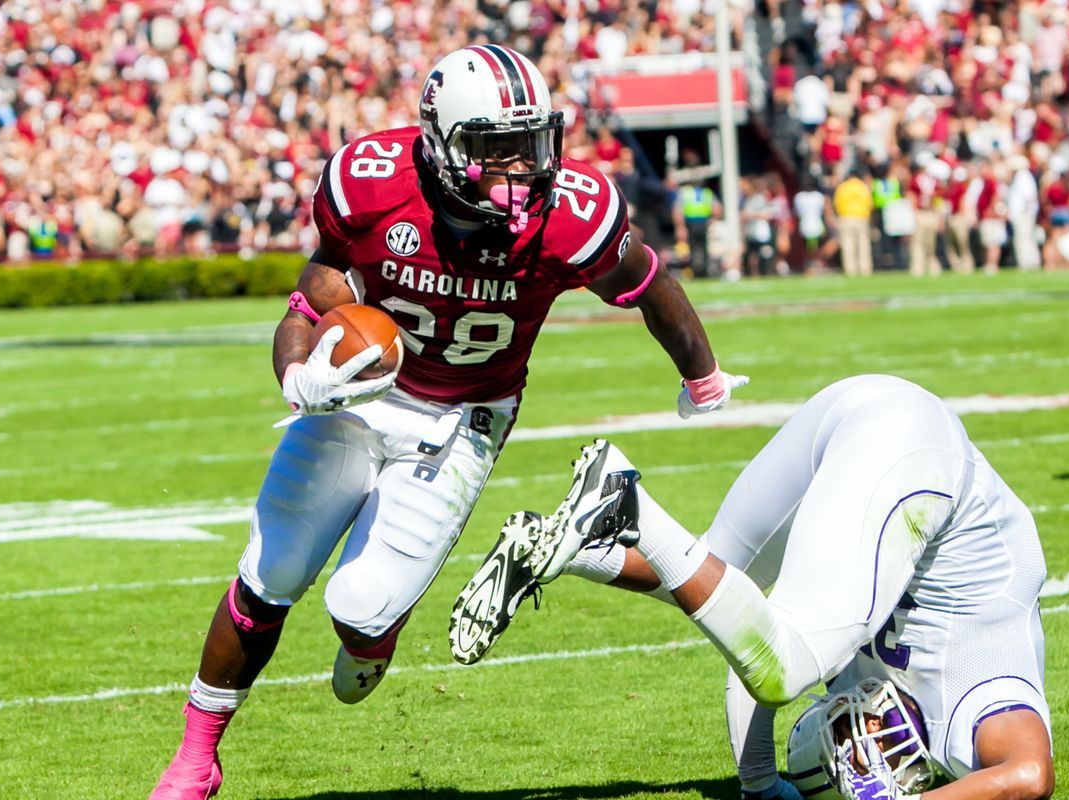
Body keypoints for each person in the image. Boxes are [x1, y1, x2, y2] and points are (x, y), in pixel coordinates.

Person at [147, 44, 745, 800]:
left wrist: (703, 373)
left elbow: (648, 282)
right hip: (360, 397)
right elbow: (311, 292)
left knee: (359, 608)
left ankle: (376, 637)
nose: (520, 168)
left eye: (530, 145)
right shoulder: (370, 182)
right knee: (273, 569)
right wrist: (302, 375)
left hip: (463, 416)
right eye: (495, 149)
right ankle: (196, 758)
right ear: (441, 141)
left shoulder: (571, 214)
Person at [452, 374, 1053, 800]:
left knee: (713, 575)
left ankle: (572, 550)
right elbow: (1029, 776)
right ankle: (626, 500)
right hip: (916, 452)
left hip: (865, 407)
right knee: (782, 663)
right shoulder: (968, 716)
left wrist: (761, 786)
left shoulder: (864, 685)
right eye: (861, 748)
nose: (862, 739)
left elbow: (744, 645)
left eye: (843, 740)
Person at [833, 167, 874, 277]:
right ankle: (865, 269)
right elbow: (870, 204)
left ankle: (850, 270)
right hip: (861, 217)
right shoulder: (863, 187)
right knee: (863, 244)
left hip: (846, 217)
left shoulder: (843, 187)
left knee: (848, 244)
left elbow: (837, 204)